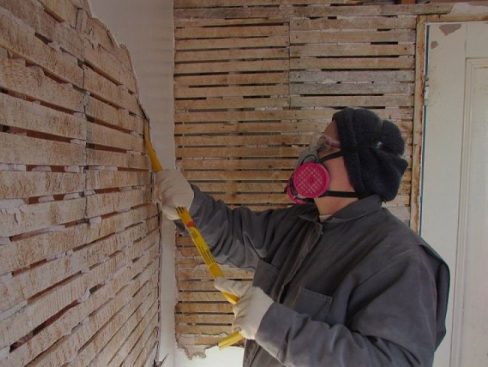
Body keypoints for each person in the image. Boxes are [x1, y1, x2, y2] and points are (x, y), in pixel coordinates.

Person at [155, 107, 450, 366]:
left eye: (323, 145)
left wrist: (271, 325)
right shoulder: (301, 223)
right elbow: (236, 235)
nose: (310, 153)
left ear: (356, 165)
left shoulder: (398, 259)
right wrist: (191, 205)